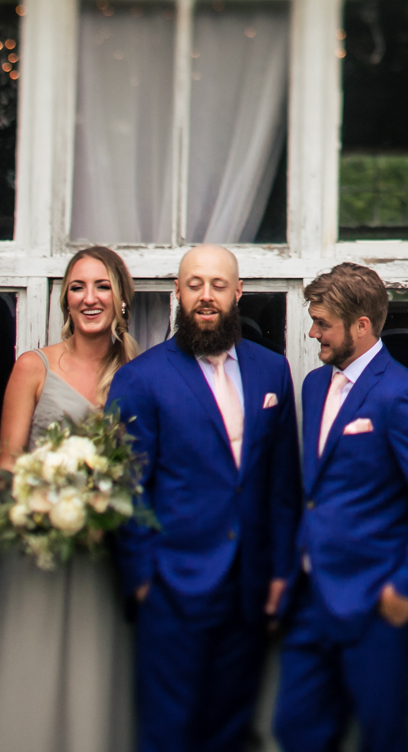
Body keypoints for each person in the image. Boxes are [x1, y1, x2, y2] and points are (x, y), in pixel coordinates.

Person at [106, 244, 300, 752]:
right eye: (195, 285)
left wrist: (280, 570)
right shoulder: (140, 379)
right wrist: (143, 579)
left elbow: (281, 480)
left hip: (250, 586)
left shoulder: (272, 371)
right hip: (172, 586)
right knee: (169, 730)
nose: (206, 297)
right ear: (177, 292)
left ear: (238, 293)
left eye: (218, 285)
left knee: (231, 728)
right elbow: (126, 487)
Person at [0, 246, 142, 752]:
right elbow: (7, 463)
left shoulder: (142, 372)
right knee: (28, 668)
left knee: (94, 673)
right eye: (78, 287)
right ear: (65, 299)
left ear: (121, 297)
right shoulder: (32, 367)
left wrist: (99, 505)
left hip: (106, 552)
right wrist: (40, 502)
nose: (90, 298)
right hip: (36, 547)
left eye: (102, 286)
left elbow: (147, 465)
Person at [273, 263, 408, 752]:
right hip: (311, 596)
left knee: (382, 736)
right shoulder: (315, 385)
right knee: (295, 730)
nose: (313, 332)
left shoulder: (405, 396)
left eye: (322, 324)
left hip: (375, 600)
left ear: (361, 326)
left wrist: (406, 588)